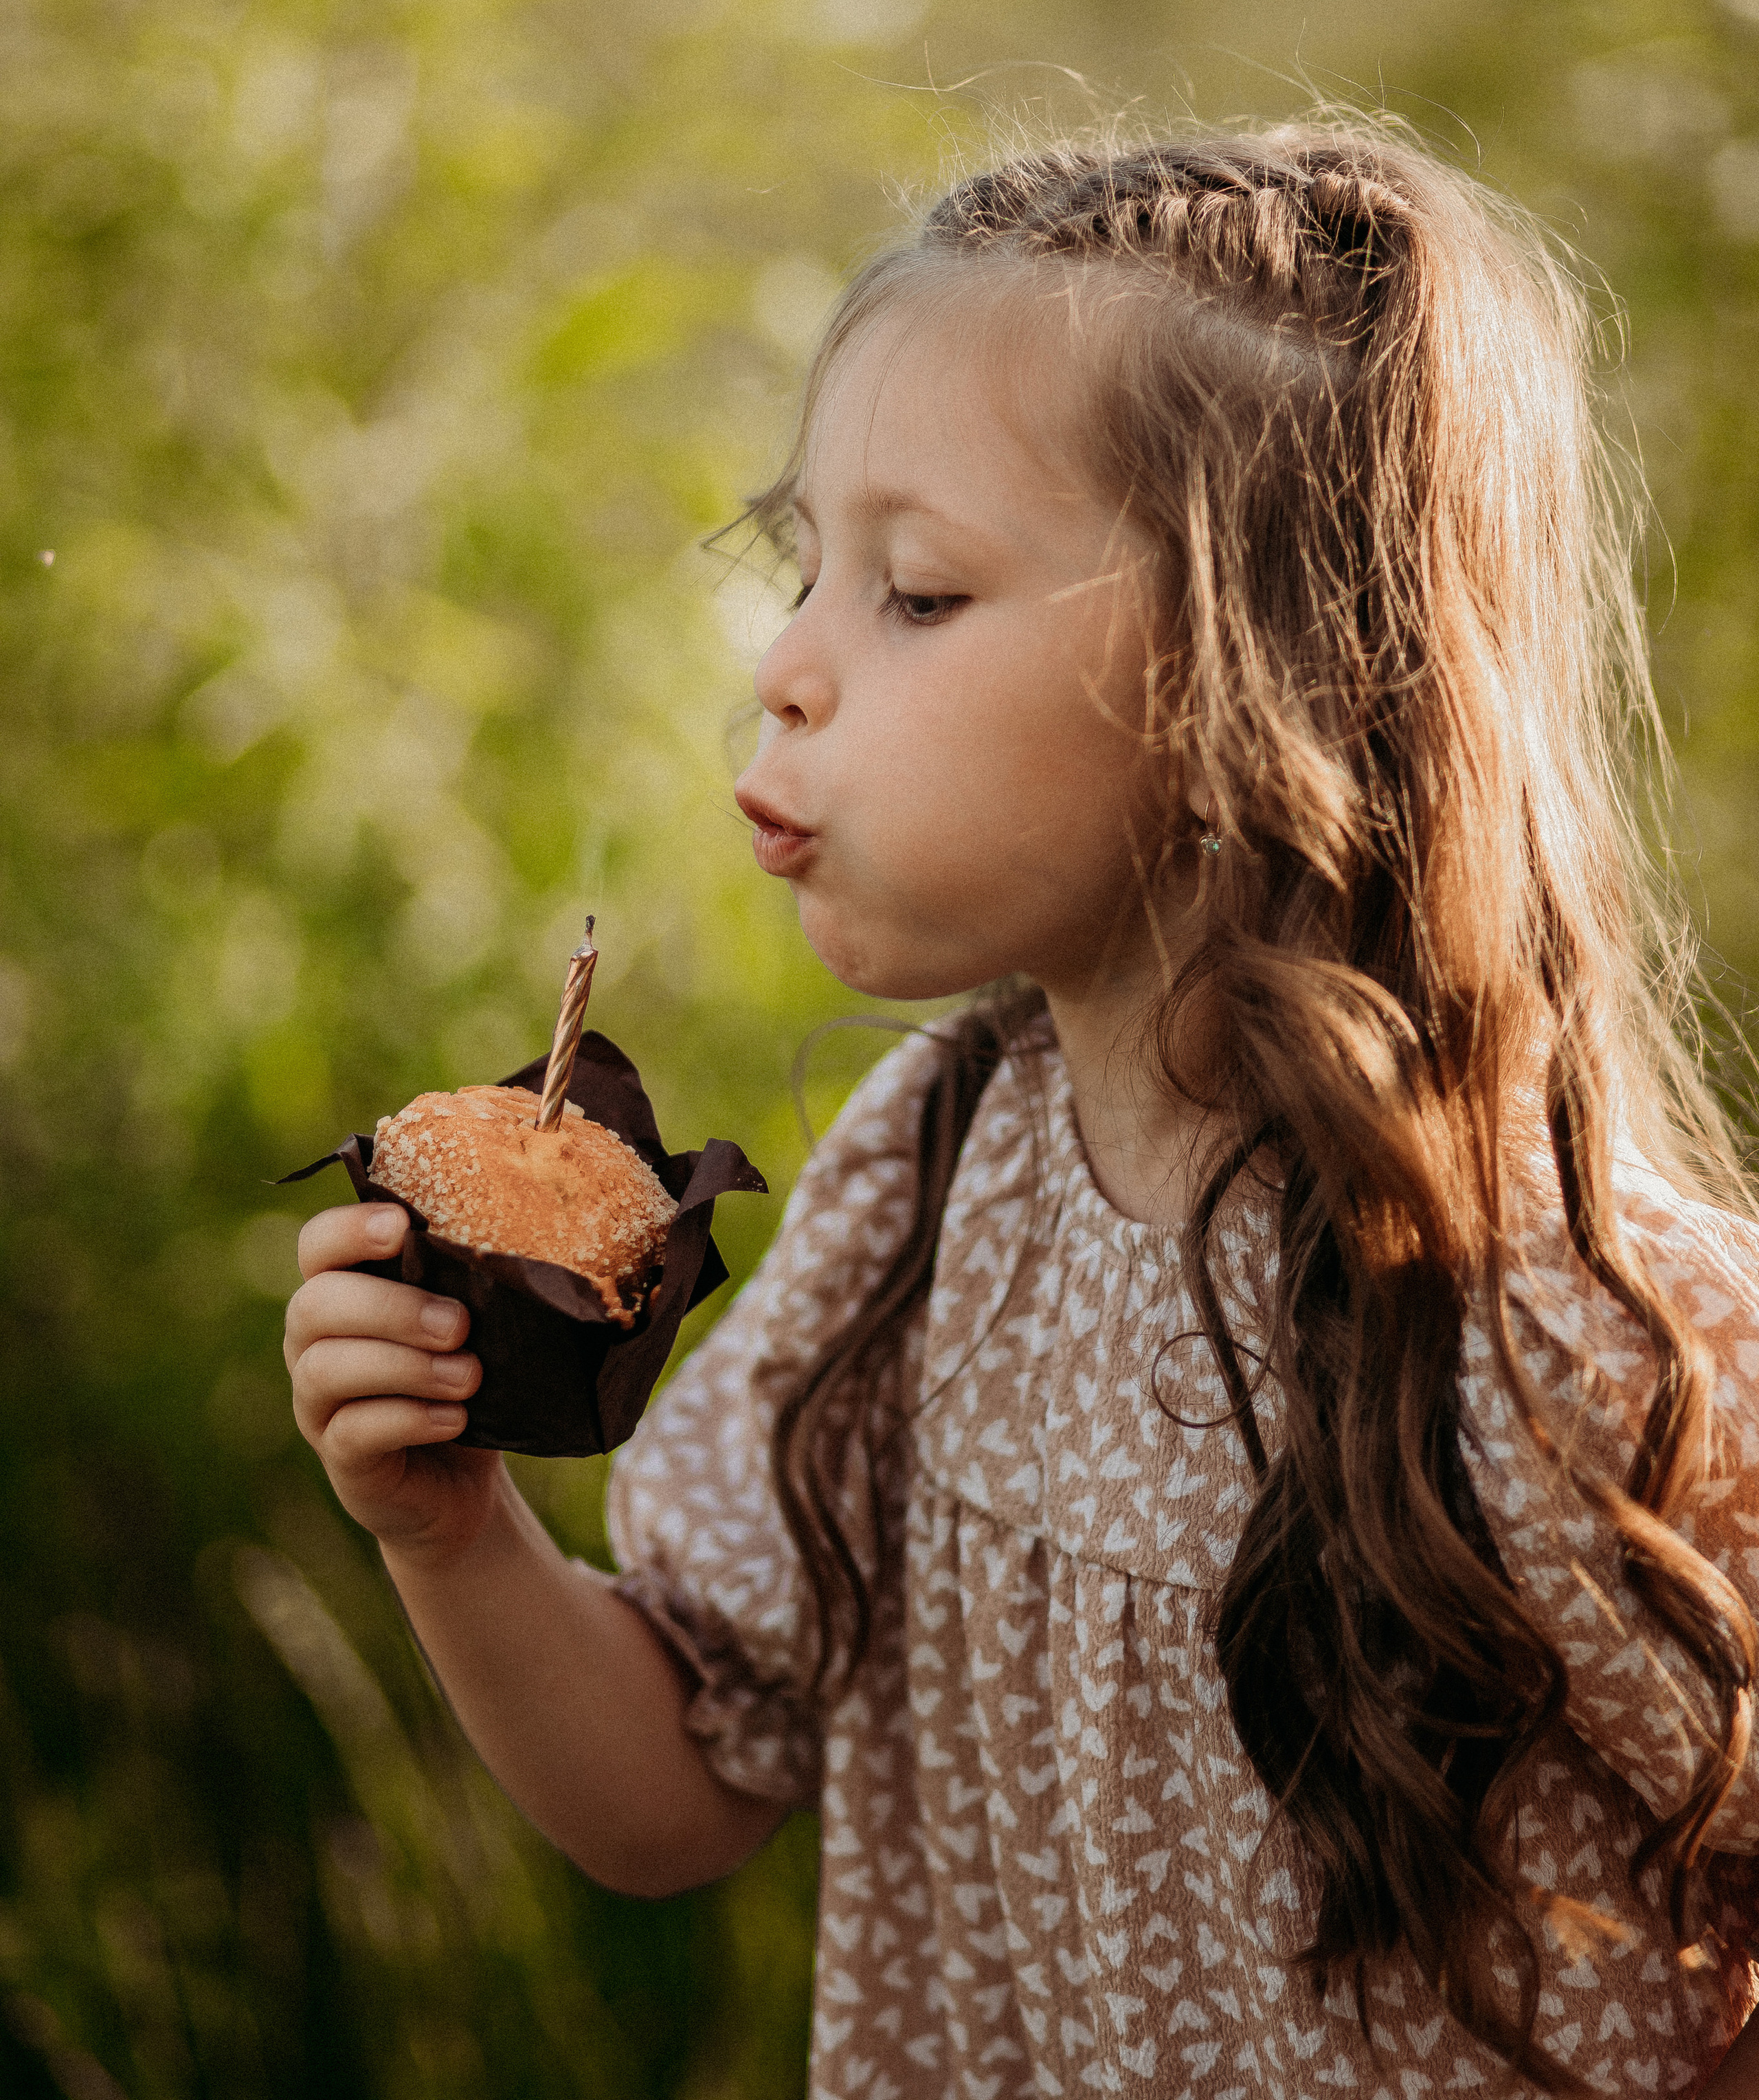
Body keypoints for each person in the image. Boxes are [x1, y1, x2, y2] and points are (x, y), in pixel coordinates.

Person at [285, 127, 1759, 2097]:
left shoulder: (1588, 1339)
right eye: (804, 566)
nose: (783, 670)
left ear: (1270, 677)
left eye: (916, 592)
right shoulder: (932, 1180)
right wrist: (449, 1529)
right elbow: (671, 1801)